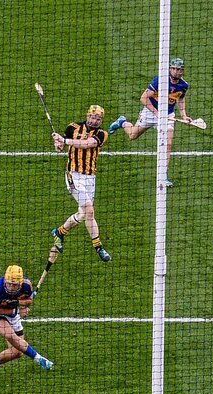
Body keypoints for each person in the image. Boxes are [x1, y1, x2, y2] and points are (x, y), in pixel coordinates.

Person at [108, 59, 192, 187]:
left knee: (168, 144)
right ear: (170, 69)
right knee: (132, 135)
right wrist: (157, 113)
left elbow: (180, 99)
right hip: (150, 112)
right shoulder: (160, 80)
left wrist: (184, 116)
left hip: (168, 116)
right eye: (174, 68)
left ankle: (163, 176)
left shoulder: (183, 85)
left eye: (179, 69)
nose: (176, 71)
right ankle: (122, 122)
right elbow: (143, 98)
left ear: (182, 70)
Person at [49, 105, 112, 263]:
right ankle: (98, 246)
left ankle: (60, 232)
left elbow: (88, 144)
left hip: (90, 178)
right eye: (92, 117)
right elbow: (60, 147)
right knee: (90, 210)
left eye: (98, 119)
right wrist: (58, 144)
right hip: (73, 175)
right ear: (87, 116)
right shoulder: (72, 127)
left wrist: (64, 140)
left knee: (83, 214)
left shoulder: (102, 134)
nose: (95, 121)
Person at [0, 265, 53, 385]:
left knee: (17, 352)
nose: (11, 287)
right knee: (10, 335)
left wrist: (17, 303)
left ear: (20, 283)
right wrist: (17, 311)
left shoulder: (27, 285)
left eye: (15, 285)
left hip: (12, 314)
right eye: (9, 283)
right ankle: (39, 358)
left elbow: (29, 300)